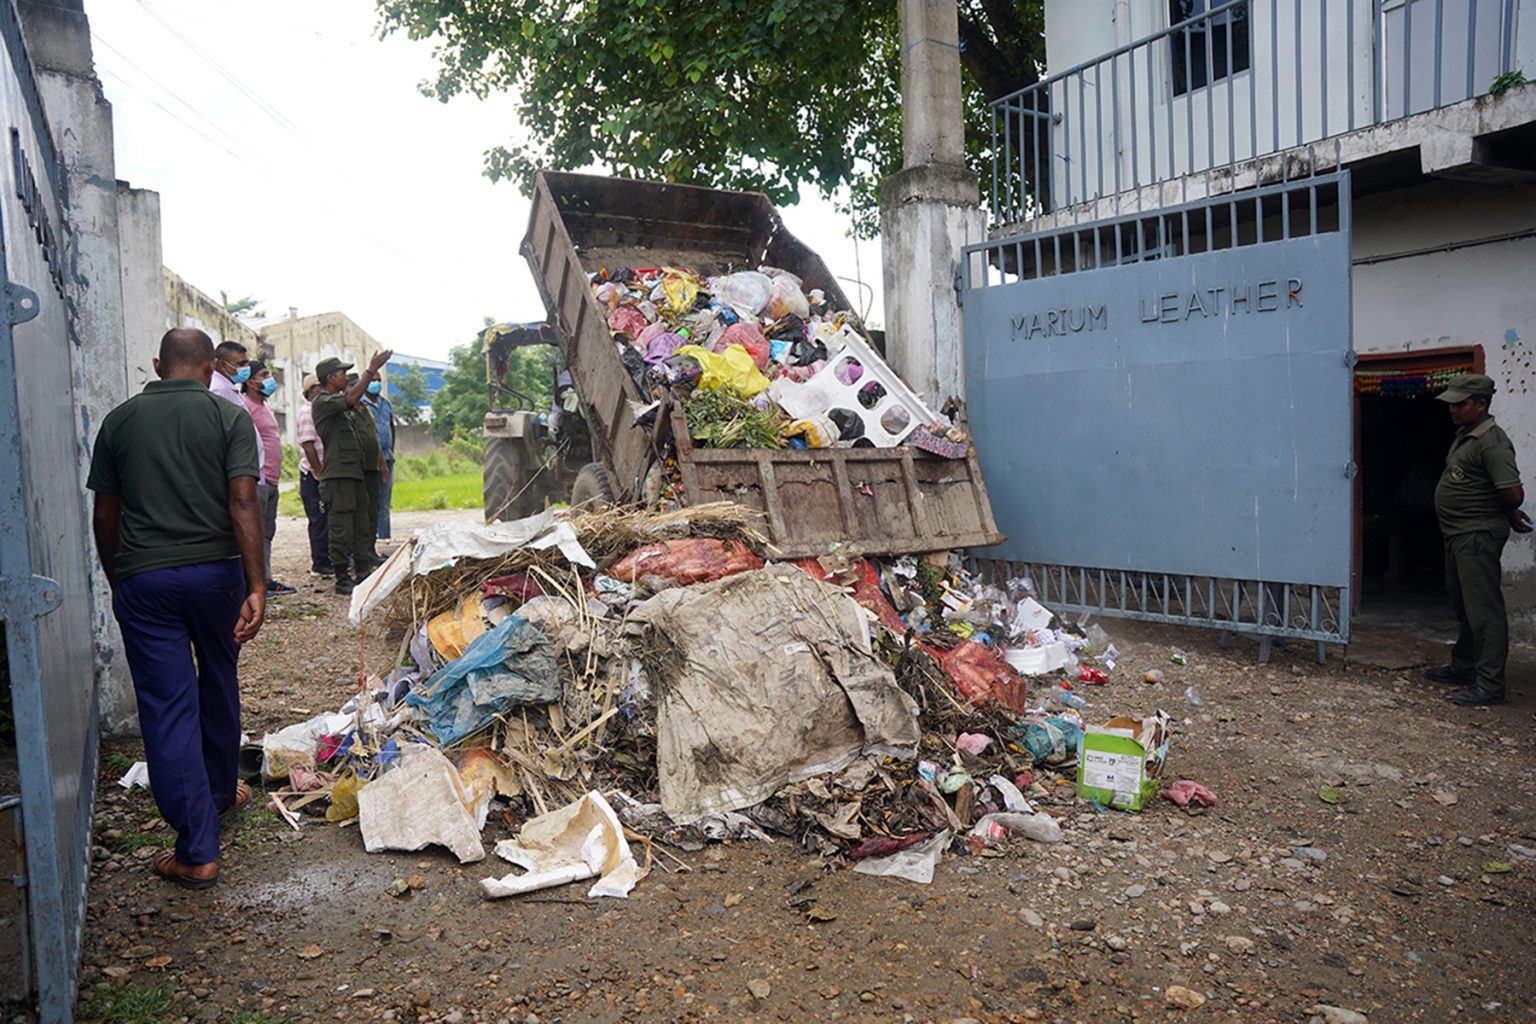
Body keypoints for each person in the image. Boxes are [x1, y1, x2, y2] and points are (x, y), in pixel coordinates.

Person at [86, 328, 266, 888]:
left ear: (158, 363)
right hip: (217, 576)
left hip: (147, 580)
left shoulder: (119, 421)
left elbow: (105, 517)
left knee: (168, 706)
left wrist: (120, 579)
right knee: (218, 679)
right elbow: (242, 501)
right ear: (213, 366)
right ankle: (218, 792)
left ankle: (197, 848)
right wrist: (256, 583)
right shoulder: (229, 417)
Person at [1423, 374, 1530, 706]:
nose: (1453, 409)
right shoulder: (1466, 436)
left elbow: (1511, 491)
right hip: (1459, 534)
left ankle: (1490, 684)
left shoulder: (1492, 442)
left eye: (1461, 403)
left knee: (1485, 611)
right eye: (1452, 403)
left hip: (1476, 534)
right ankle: (1465, 666)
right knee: (1465, 605)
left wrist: (1510, 511)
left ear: (1481, 404)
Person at [312, 351, 392, 594]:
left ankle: (362, 571)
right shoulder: (323, 402)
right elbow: (350, 399)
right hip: (338, 477)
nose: (345, 378)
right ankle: (341, 578)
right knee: (341, 526)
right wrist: (370, 370)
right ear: (329, 377)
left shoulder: (342, 406)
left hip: (354, 475)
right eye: (341, 374)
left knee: (361, 525)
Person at [241, 361, 294, 594]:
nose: (270, 379)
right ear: (251, 382)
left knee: (267, 532)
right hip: (258, 480)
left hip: (271, 480)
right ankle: (256, 583)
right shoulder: (245, 406)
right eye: (264, 375)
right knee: (255, 531)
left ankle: (266, 578)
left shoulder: (264, 407)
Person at [209, 339, 264, 481]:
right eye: (241, 364)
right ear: (222, 365)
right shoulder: (218, 389)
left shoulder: (229, 387)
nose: (246, 368)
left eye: (246, 363)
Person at [295, 372, 330, 576]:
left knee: (325, 519)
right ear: (310, 391)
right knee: (318, 519)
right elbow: (308, 444)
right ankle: (320, 563)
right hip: (313, 475)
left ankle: (326, 559)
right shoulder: (308, 412)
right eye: (319, 386)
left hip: (321, 474)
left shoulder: (319, 411)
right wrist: (319, 472)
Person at [363, 372, 397, 550]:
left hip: (388, 457)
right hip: (370, 461)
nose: (375, 383)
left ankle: (385, 543)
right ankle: (369, 545)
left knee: (384, 505)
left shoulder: (386, 403)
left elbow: (391, 426)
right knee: (370, 504)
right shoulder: (360, 403)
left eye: (378, 380)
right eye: (372, 380)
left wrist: (391, 450)